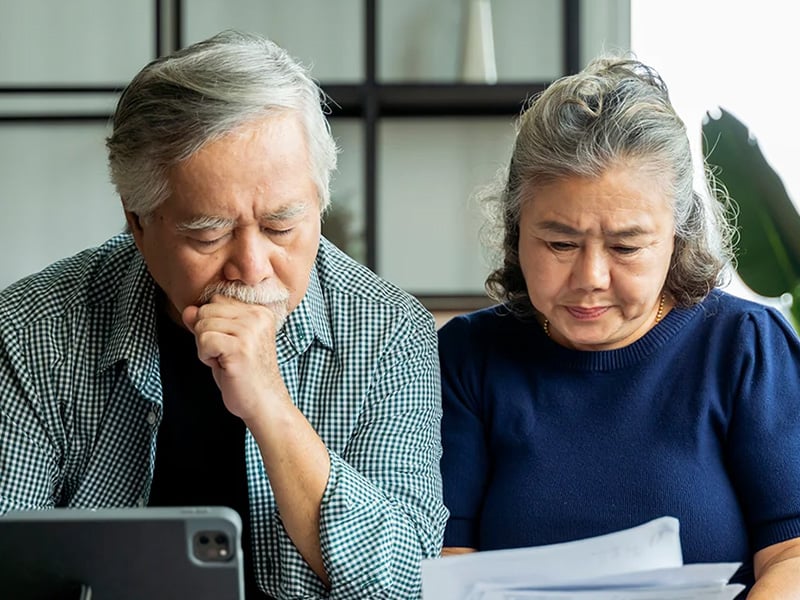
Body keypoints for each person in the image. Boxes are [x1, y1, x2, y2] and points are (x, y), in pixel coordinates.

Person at [0, 30, 447, 600]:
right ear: (137, 222)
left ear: (319, 200)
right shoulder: (32, 330)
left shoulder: (388, 332)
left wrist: (269, 406)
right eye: (209, 234)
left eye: (282, 226)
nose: (253, 267)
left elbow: (405, 583)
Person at [437, 54, 800, 598]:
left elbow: (793, 554)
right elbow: (447, 560)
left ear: (678, 237)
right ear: (517, 231)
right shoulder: (469, 357)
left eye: (626, 246)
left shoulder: (744, 347)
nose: (591, 278)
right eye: (560, 243)